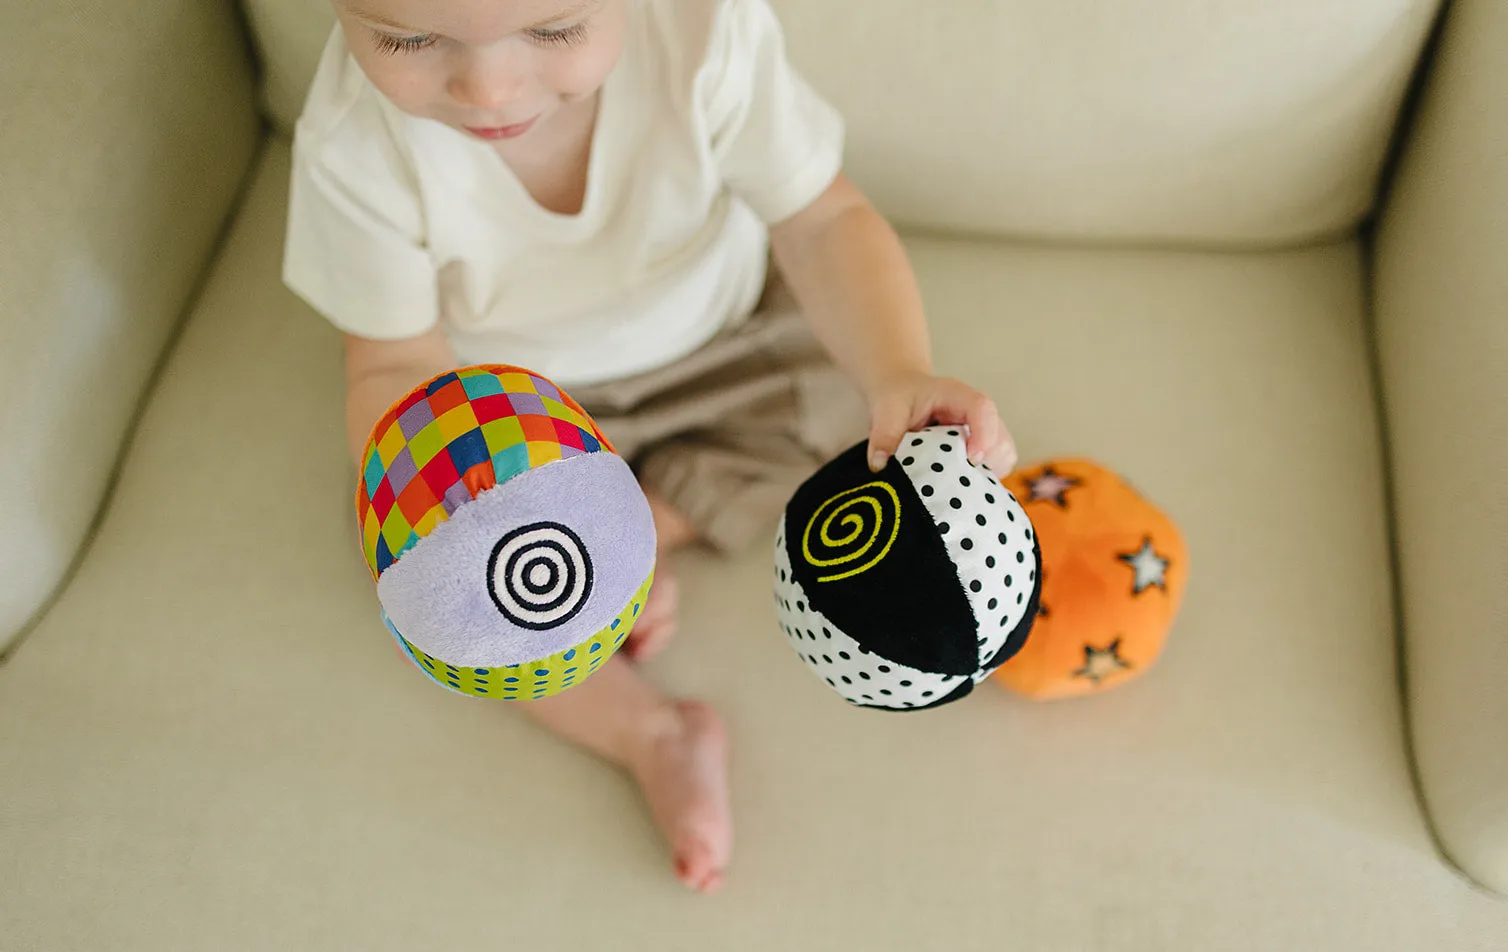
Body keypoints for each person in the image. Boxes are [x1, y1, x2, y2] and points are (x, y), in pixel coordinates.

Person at [284, 0, 1017, 892]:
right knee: (449, 595)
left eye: (553, 30)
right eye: (406, 39)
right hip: (518, 414)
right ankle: (649, 730)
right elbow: (395, 366)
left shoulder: (705, 34)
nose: (488, 85)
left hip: (732, 339)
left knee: (853, 416)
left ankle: (636, 535)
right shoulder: (353, 146)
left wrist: (900, 371)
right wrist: (471, 529)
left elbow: (822, 221)